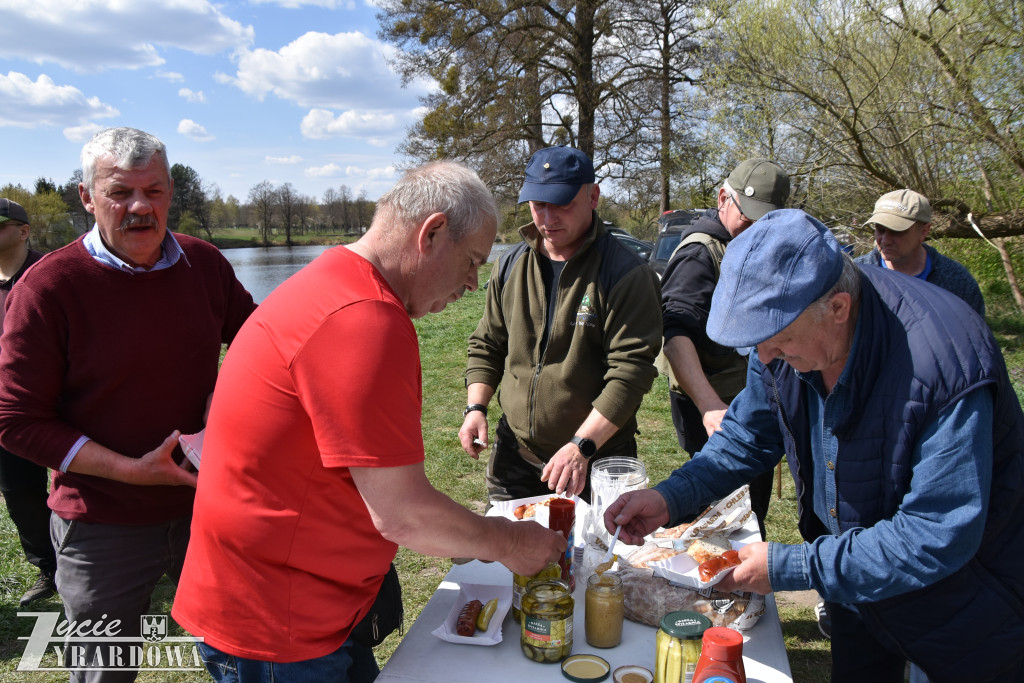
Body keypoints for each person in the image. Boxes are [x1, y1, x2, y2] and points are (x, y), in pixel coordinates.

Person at [171, 161, 567, 682]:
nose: (474, 283)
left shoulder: (335, 282)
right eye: (472, 261)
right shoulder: (363, 317)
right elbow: (403, 513)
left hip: (293, 605)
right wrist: (511, 544)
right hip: (279, 625)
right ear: (432, 233)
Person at [605, 209, 1024, 683]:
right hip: (853, 586)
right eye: (757, 345)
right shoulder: (784, 333)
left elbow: (937, 533)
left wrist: (796, 566)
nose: (765, 358)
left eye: (778, 342)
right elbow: (746, 436)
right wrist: (670, 497)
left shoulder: (946, 362)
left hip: (962, 603)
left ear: (839, 308)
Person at [0, 128, 256, 683]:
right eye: (120, 193)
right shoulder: (47, 287)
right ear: (87, 197)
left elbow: (260, 343)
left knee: (247, 654)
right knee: (103, 672)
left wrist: (228, 390)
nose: (141, 207)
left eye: (154, 191)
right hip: (102, 521)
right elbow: (15, 421)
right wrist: (133, 472)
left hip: (208, 506)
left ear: (170, 192)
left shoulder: (204, 263)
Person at [459, 146, 662, 502]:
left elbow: (630, 375)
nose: (548, 217)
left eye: (562, 203)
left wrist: (582, 445)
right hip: (515, 459)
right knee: (505, 539)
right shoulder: (511, 265)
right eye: (538, 205)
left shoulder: (626, 273)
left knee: (597, 542)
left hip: (595, 462)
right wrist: (476, 407)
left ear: (593, 196)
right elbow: (488, 343)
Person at [658, 158, 789, 539]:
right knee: (720, 518)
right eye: (748, 219)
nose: (755, 230)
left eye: (765, 221)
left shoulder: (755, 245)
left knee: (749, 511)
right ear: (722, 199)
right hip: (716, 407)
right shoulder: (700, 254)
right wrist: (710, 406)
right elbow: (674, 334)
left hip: (753, 400)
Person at [0, 198, 56, 607]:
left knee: (94, 481)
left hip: (62, 399)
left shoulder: (50, 274)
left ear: (23, 231)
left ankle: (129, 553)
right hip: (10, 407)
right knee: (19, 491)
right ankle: (49, 568)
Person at [856, 188, 985, 316]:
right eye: (880, 230)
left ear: (923, 232)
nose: (885, 241)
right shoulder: (856, 275)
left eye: (896, 231)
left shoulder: (958, 282)